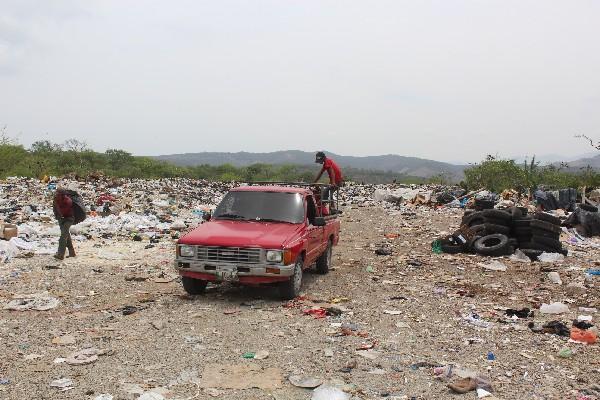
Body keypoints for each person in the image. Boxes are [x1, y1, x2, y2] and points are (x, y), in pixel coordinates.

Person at [53, 187, 76, 260]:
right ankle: (72, 252)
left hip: (69, 218)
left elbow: (64, 211)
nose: (56, 194)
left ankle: (60, 254)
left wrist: (60, 215)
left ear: (62, 195)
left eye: (58, 193)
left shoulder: (68, 201)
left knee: (63, 236)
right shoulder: (56, 199)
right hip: (61, 218)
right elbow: (55, 208)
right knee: (66, 234)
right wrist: (57, 216)